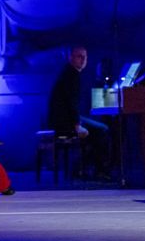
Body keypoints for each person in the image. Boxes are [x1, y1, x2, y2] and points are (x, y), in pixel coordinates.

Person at [47, 46, 111, 179]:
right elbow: (72, 103)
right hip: (64, 123)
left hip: (63, 119)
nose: (83, 60)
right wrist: (77, 126)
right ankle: (98, 171)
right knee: (102, 130)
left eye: (85, 57)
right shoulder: (72, 75)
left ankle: (84, 168)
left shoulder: (70, 72)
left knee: (97, 129)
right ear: (71, 58)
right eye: (79, 56)